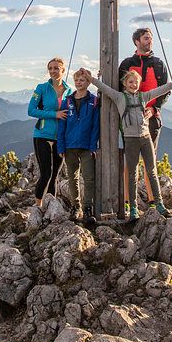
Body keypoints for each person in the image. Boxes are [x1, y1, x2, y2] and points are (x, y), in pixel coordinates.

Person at [78, 67, 172, 219]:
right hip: (130, 140)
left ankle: (159, 204)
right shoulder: (119, 97)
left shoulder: (144, 97)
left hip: (145, 138)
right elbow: (103, 87)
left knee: (151, 171)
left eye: (136, 82)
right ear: (124, 83)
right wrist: (90, 78)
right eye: (131, 82)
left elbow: (162, 89)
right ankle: (133, 209)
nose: (134, 84)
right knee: (131, 174)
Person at [118, 27, 168, 211]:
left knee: (150, 160)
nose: (150, 41)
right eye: (146, 38)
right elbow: (117, 88)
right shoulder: (126, 64)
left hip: (152, 119)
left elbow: (165, 90)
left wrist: (154, 109)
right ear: (137, 42)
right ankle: (128, 201)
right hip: (130, 120)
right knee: (130, 162)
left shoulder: (158, 64)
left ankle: (153, 200)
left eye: (150, 38)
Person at [56, 68, 100, 226]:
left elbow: (96, 125)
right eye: (77, 80)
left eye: (82, 80)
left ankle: (88, 208)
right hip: (69, 146)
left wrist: (93, 145)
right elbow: (61, 125)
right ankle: (76, 207)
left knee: (89, 178)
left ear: (88, 82)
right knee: (72, 178)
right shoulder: (67, 101)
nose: (79, 83)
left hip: (87, 146)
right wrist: (60, 146)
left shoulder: (94, 101)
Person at [27, 57, 72, 208]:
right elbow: (31, 110)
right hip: (42, 135)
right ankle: (38, 206)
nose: (53, 71)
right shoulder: (41, 88)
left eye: (56, 68)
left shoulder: (69, 91)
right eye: (50, 68)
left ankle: (51, 206)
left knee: (55, 176)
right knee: (46, 173)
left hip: (60, 137)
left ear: (63, 70)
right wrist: (55, 114)